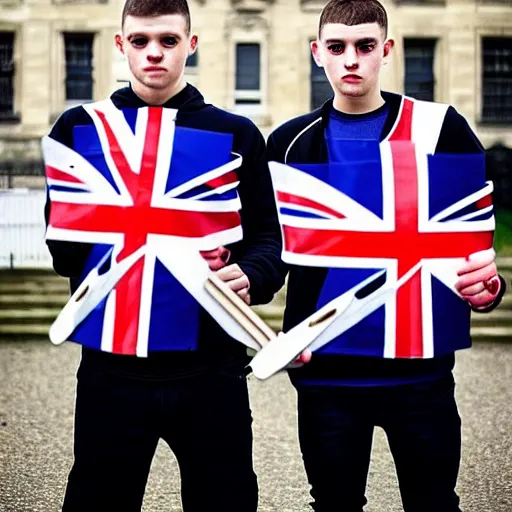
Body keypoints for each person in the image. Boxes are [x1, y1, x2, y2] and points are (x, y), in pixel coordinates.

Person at [44, 1, 285, 510]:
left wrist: (251, 273)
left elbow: (269, 238)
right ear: (121, 44)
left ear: (190, 45)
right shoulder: (79, 130)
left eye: (169, 41)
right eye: (140, 41)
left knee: (225, 501)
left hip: (211, 368)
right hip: (112, 368)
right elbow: (64, 254)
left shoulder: (235, 133)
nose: (154, 53)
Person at [267, 1, 506, 511]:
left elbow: (470, 250)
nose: (351, 59)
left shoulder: (441, 129)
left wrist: (488, 288)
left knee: (434, 502)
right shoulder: (288, 144)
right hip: (325, 372)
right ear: (317, 54)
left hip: (420, 372)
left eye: (364, 46)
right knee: (334, 503)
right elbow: (272, 253)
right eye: (337, 47)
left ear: (386, 50)